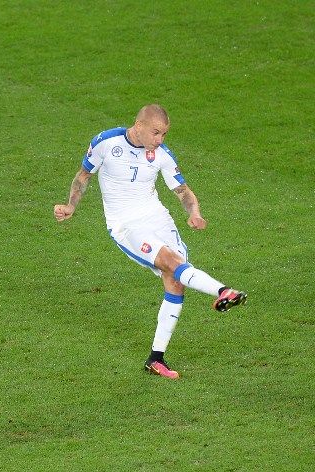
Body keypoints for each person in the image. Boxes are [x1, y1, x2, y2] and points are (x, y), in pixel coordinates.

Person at [54, 104, 247, 379]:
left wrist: (194, 212)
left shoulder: (161, 155)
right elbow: (83, 176)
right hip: (126, 225)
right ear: (139, 125)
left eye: (164, 134)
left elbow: (182, 191)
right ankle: (224, 290)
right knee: (171, 262)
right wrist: (71, 206)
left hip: (158, 218)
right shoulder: (106, 142)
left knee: (176, 279)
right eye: (156, 133)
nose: (160, 140)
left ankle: (156, 359)